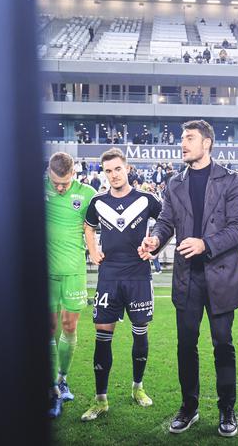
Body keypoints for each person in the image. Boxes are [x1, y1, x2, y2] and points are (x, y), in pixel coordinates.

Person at [139, 120, 238, 437]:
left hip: (221, 277)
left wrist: (206, 244)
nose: (183, 143)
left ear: (207, 143)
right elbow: (165, 222)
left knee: (222, 344)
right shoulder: (174, 183)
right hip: (187, 278)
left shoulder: (230, 180)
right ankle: (189, 407)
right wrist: (154, 240)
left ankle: (227, 409)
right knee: (186, 345)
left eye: (189, 138)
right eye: (182, 139)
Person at [80, 148, 162, 421]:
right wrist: (92, 250)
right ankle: (100, 398)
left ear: (127, 168)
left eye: (117, 169)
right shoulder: (98, 201)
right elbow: (89, 227)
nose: (113, 175)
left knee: (140, 333)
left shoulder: (147, 199)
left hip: (139, 274)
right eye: (108, 171)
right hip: (109, 276)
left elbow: (167, 224)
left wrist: (155, 247)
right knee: (103, 336)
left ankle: (138, 387)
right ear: (103, 174)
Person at [44, 152, 97, 418]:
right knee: (49, 326)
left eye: (64, 182)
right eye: (55, 182)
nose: (60, 187)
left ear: (73, 173)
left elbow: (93, 228)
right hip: (47, 273)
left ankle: (62, 378)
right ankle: (50, 384)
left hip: (74, 273)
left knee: (69, 326)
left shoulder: (87, 193)